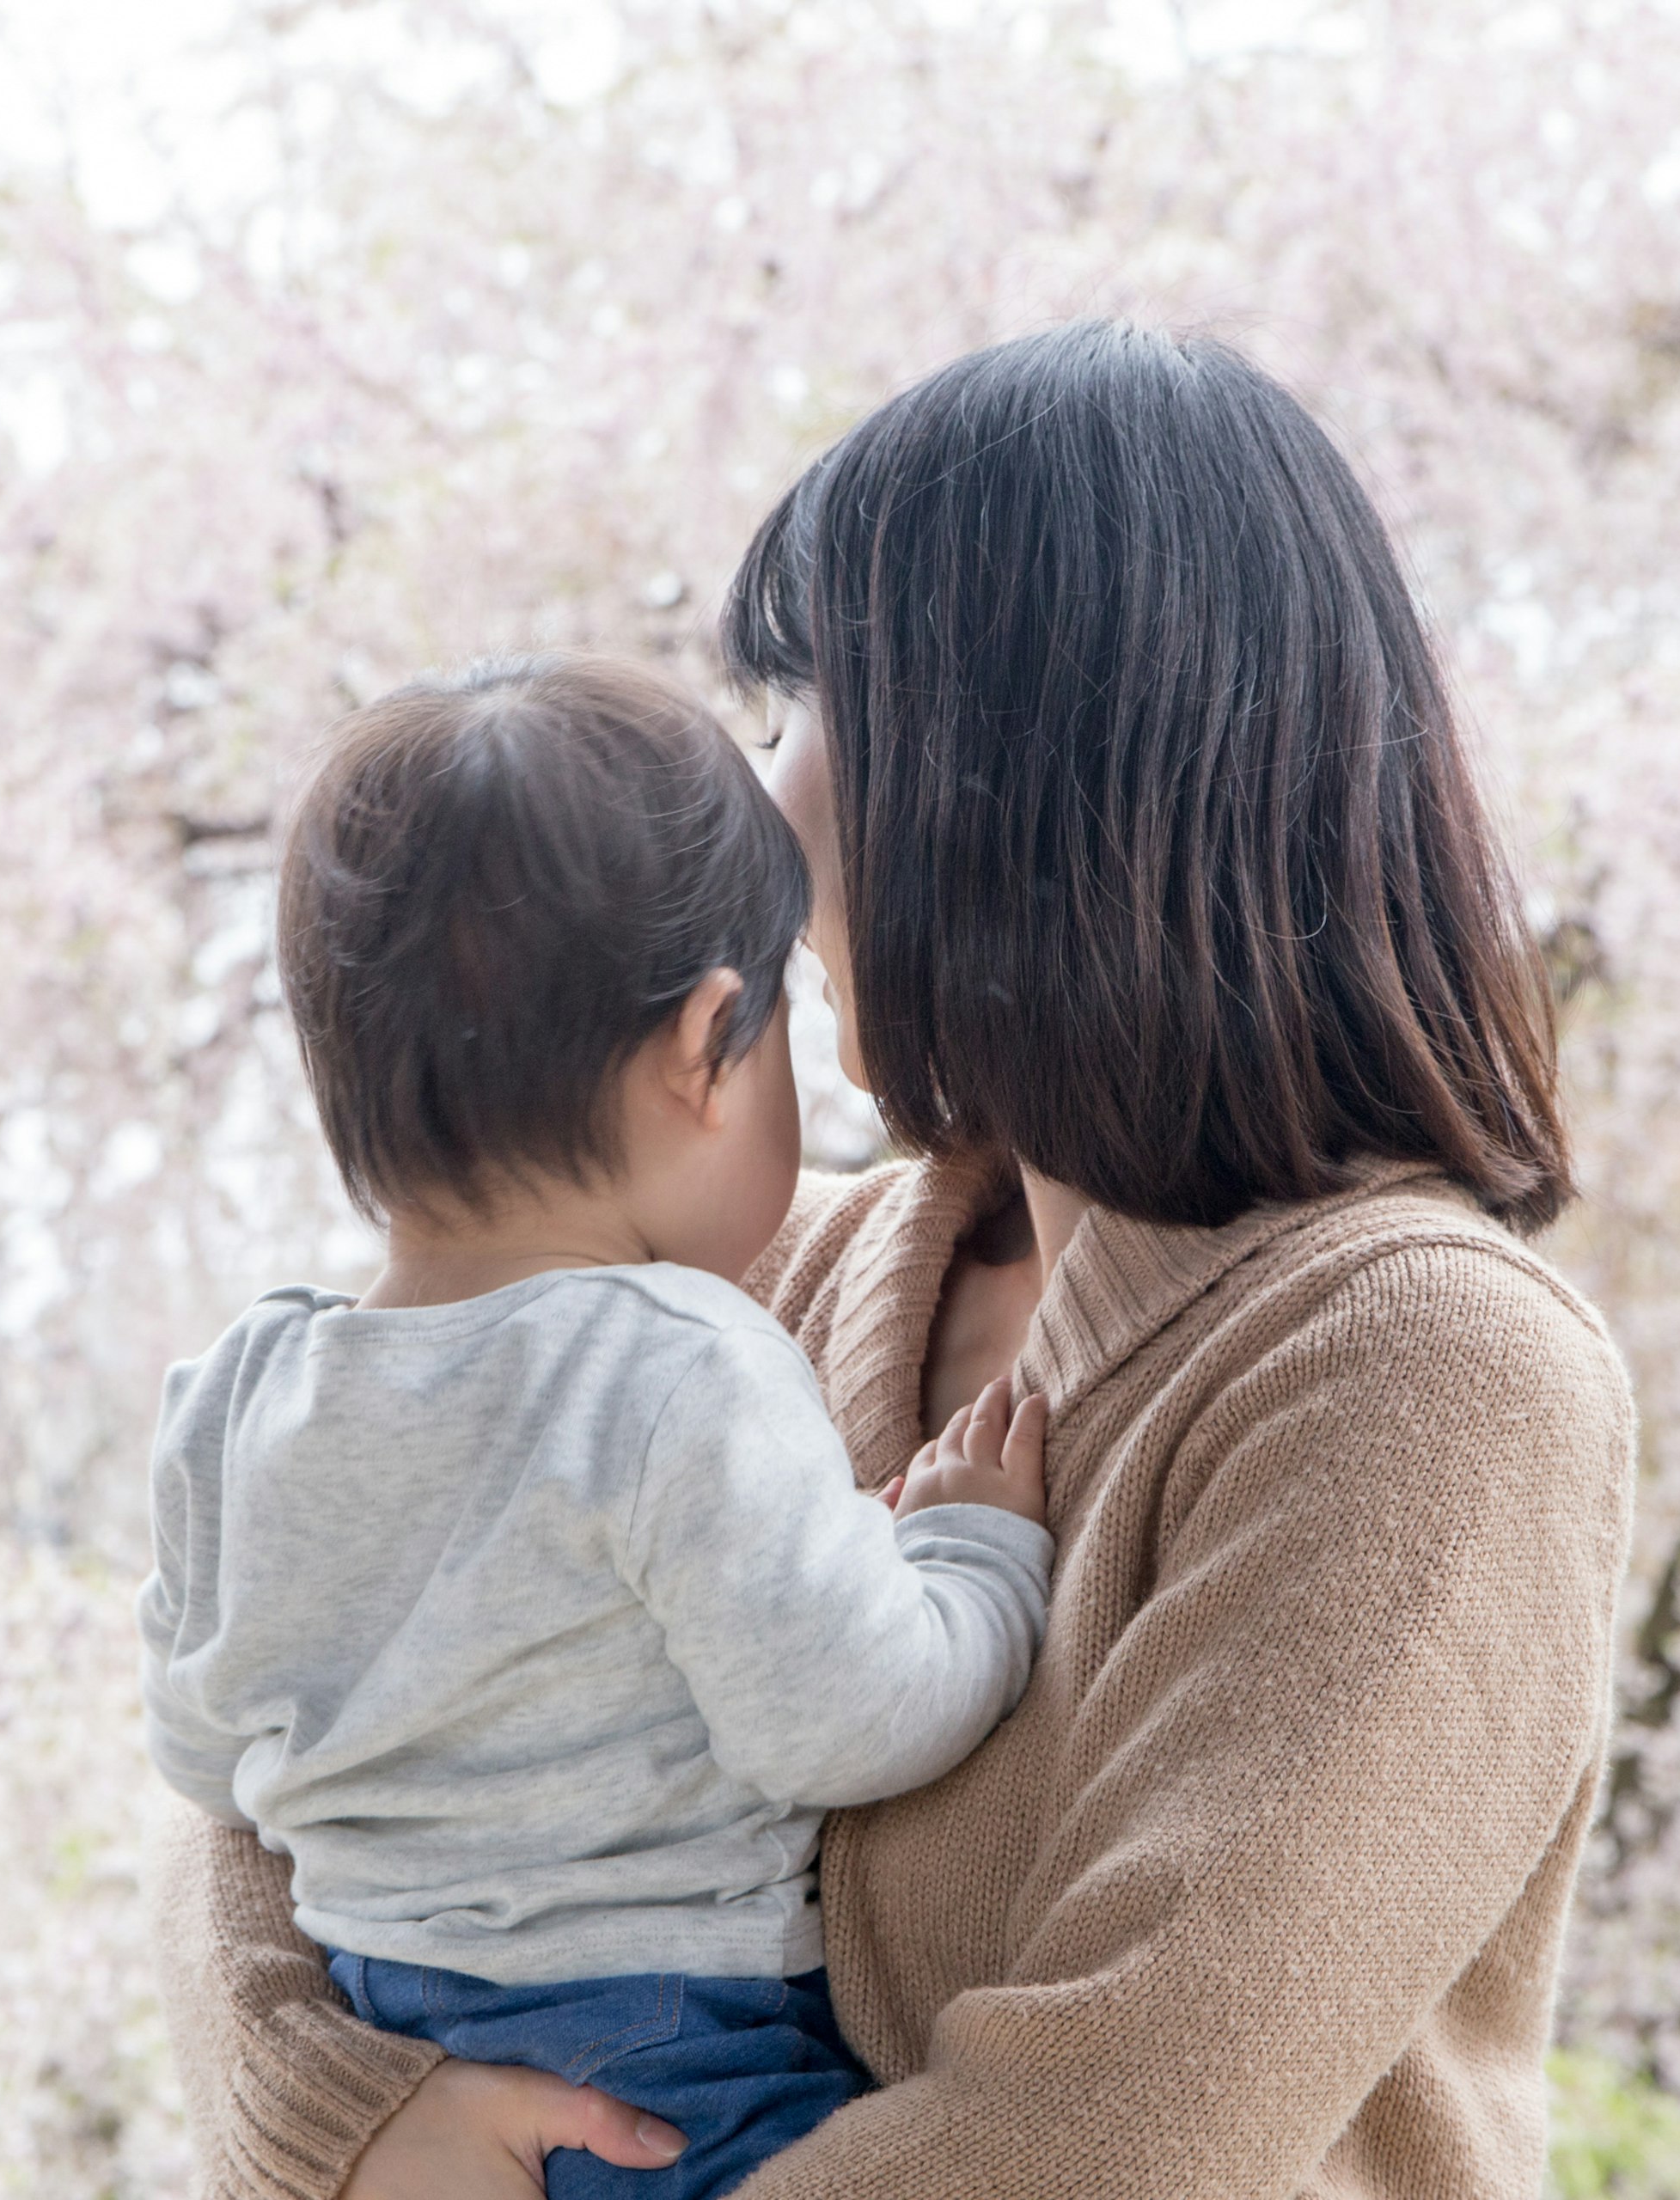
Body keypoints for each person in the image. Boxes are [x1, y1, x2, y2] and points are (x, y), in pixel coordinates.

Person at [152, 321, 1638, 2200]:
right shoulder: (749, 1279)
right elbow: (306, 1749)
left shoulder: (1423, 1370)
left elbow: (1117, 2118)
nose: (760, 806)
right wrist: (341, 2115)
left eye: (797, 710)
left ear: (1006, 768)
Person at [134, 653, 1059, 2200]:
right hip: (668, 2060)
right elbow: (845, 1719)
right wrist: (975, 1552)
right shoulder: (678, 1364)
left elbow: (203, 1752)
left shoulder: (235, 1392)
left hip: (384, 2026)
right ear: (708, 1046)